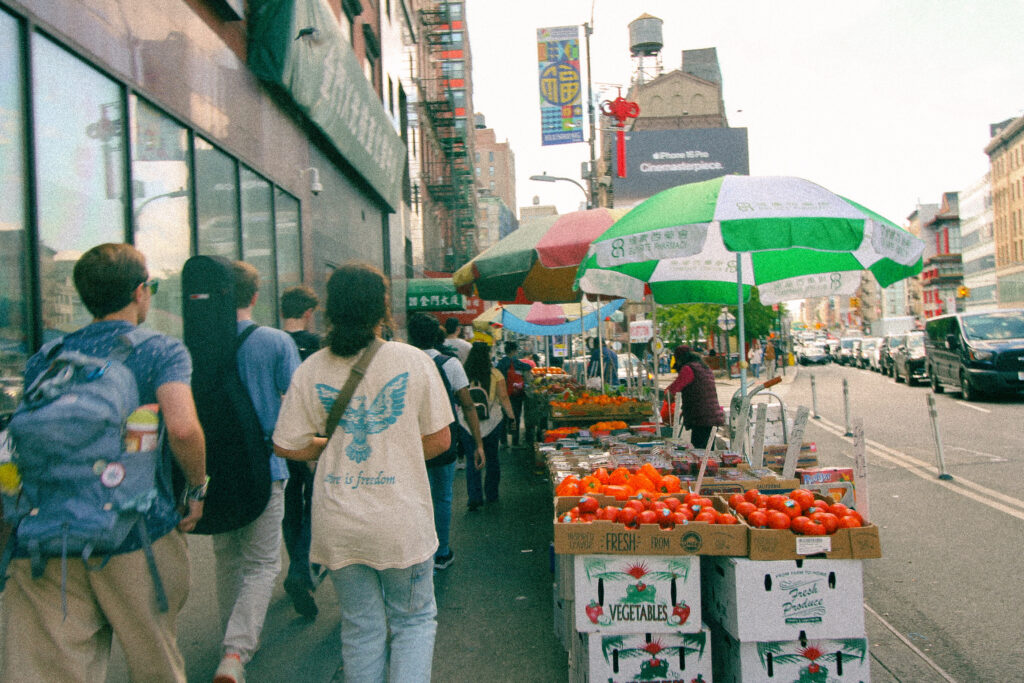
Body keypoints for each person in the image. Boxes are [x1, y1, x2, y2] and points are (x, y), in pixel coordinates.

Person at [1, 243, 208, 682]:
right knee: (155, 663)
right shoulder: (161, 351)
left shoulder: (48, 357)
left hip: (48, 536)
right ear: (139, 292)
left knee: (51, 671)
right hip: (136, 531)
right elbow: (185, 429)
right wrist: (196, 489)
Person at [273, 264, 452, 683]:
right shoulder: (411, 361)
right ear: (383, 308)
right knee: (413, 622)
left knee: (361, 627)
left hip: (339, 520)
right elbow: (441, 441)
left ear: (329, 310)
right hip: (400, 520)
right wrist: (394, 451)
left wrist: (326, 446)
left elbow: (285, 443)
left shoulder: (312, 369)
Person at [212, 261, 300, 683]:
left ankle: (230, 642)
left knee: (226, 556)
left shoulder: (198, 340)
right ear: (253, 295)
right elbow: (298, 401)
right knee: (263, 562)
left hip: (214, 468)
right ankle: (235, 652)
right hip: (265, 463)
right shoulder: (274, 341)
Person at [407, 313, 485, 565]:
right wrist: (478, 443)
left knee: (416, 497)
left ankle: (418, 553)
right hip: (443, 439)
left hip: (410, 441)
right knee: (442, 496)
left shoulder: (402, 362)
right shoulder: (449, 364)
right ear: (436, 336)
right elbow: (469, 406)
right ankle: (441, 552)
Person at [278, 285, 322, 618]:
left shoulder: (270, 343)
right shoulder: (317, 347)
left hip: (280, 438)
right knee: (316, 504)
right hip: (315, 437)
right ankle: (301, 570)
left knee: (290, 502)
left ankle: (295, 560)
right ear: (308, 313)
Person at [459, 342, 514, 509]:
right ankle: (491, 493)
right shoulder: (495, 374)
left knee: (472, 458)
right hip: (492, 421)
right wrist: (511, 417)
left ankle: (474, 497)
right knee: (492, 458)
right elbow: (503, 397)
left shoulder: (463, 373)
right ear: (488, 355)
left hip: (467, 423)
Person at [665, 345, 725, 450]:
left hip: (702, 418)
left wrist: (667, 396)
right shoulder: (704, 367)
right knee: (707, 452)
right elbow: (698, 392)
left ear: (680, 359)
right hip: (711, 416)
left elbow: (673, 390)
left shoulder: (688, 369)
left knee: (700, 453)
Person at [495, 341, 531, 447]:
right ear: (513, 351)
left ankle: (503, 441)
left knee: (503, 417)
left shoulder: (501, 363)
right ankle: (515, 441)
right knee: (516, 416)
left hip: (504, 393)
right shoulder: (516, 362)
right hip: (516, 394)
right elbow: (528, 367)